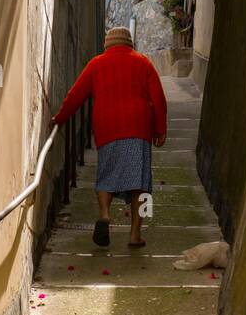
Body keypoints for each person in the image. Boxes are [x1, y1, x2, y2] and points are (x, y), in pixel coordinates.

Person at [50, 27, 167, 248]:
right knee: (140, 184)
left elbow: (76, 95)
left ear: (107, 44)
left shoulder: (96, 64)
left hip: (107, 129)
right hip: (137, 129)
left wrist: (59, 118)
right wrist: (160, 130)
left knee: (107, 176)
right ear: (129, 42)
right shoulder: (143, 63)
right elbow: (159, 100)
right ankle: (134, 235)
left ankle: (104, 214)